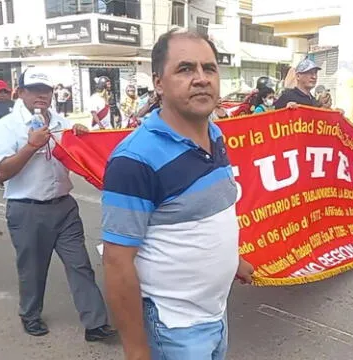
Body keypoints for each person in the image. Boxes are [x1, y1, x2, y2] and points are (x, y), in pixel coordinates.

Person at [102, 29, 254, 360]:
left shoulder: (215, 135)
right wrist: (137, 350)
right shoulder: (134, 159)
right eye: (185, 69)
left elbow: (209, 214)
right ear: (159, 83)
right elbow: (116, 262)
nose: (201, 79)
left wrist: (232, 262)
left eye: (209, 68)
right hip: (174, 330)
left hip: (215, 313)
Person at [0, 67, 116, 341]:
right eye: (34, 90)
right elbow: (1, 173)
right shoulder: (8, 126)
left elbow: (80, 154)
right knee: (33, 269)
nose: (41, 96)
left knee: (80, 265)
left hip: (64, 206)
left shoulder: (62, 122)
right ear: (21, 92)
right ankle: (30, 314)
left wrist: (82, 134)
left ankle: (95, 324)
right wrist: (30, 146)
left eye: (45, 90)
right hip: (26, 209)